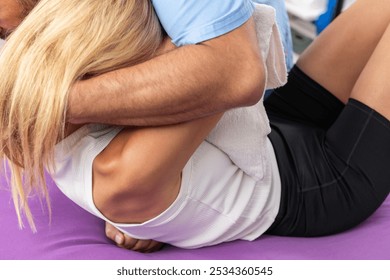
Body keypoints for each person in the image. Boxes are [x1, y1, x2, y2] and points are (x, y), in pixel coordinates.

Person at [1, 0, 389, 253]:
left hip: (265, 132)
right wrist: (175, 49)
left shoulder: (54, 131)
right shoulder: (121, 176)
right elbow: (224, 75)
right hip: (319, 185)